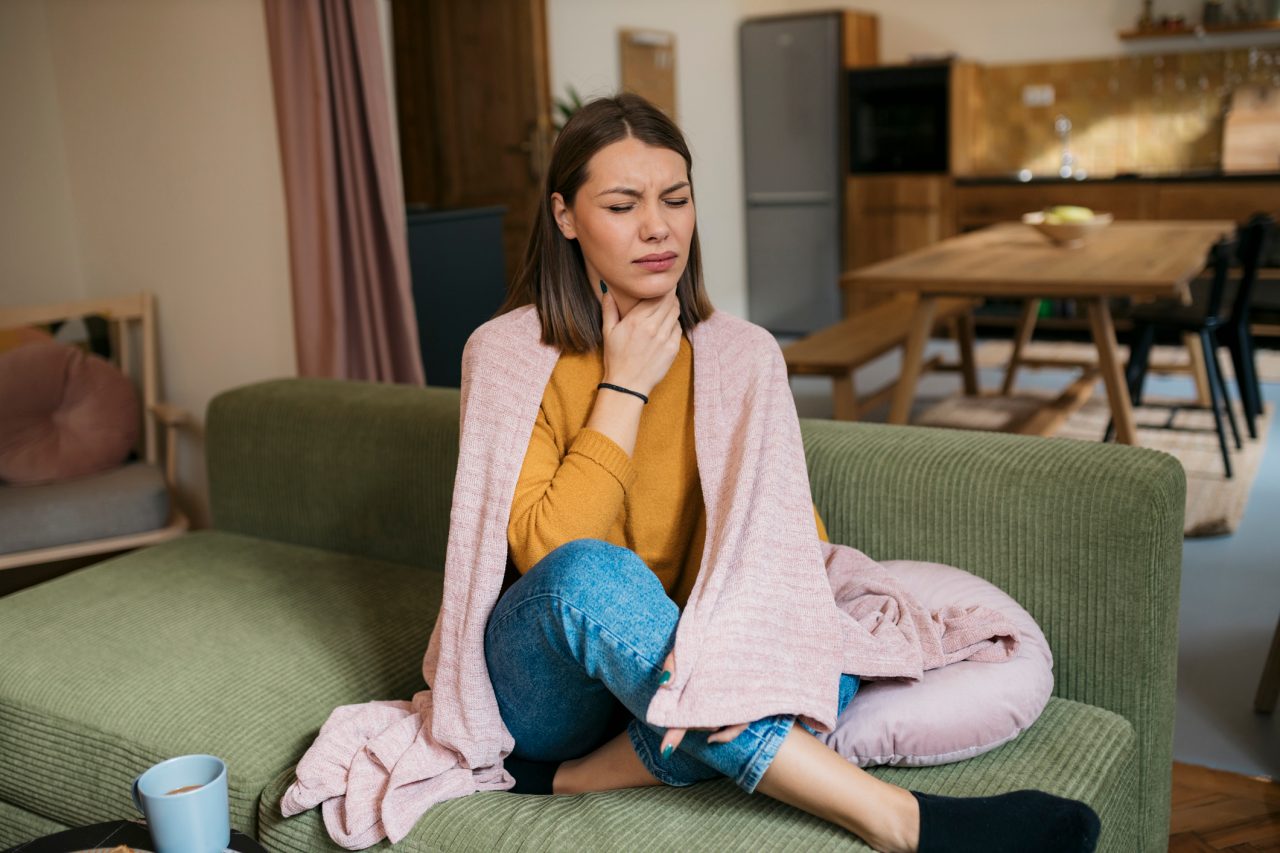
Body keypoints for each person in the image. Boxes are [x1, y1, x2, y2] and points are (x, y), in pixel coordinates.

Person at [481, 92, 1100, 853]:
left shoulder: (741, 354)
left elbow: (783, 543)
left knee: (816, 654)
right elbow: (547, 555)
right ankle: (899, 819)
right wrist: (625, 385)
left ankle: (574, 777)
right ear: (566, 216)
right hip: (554, 681)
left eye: (676, 199)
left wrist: (745, 643)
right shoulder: (508, 354)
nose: (658, 227)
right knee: (590, 572)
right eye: (622, 204)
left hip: (670, 660)